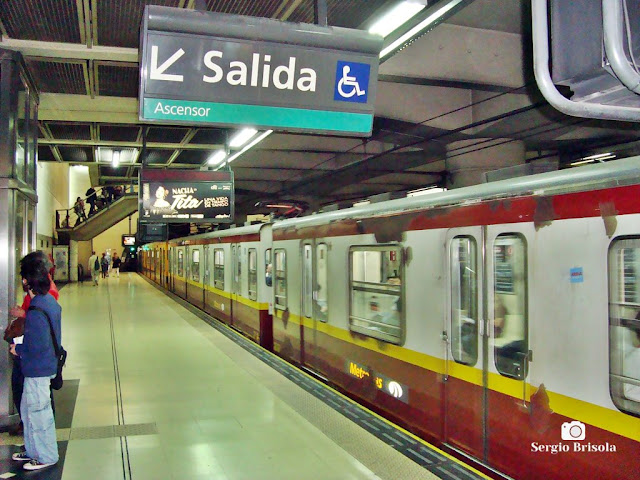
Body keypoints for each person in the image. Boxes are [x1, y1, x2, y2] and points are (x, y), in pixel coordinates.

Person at [10, 252, 61, 471]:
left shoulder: (38, 309)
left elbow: (37, 345)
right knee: (30, 411)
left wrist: (18, 349)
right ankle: (32, 450)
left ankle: (47, 455)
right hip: (37, 368)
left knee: (40, 414)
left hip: (38, 369)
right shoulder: (45, 302)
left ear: (26, 280)